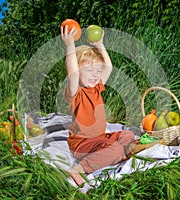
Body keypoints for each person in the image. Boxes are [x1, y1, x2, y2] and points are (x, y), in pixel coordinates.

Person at [60, 24, 135, 186]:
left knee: (127, 135)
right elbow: (72, 72)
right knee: (116, 150)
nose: (95, 75)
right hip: (81, 144)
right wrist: (70, 46)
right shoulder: (76, 92)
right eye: (89, 70)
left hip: (99, 138)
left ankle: (112, 153)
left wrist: (100, 45)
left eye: (97, 71)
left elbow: (108, 67)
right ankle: (79, 168)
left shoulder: (96, 87)